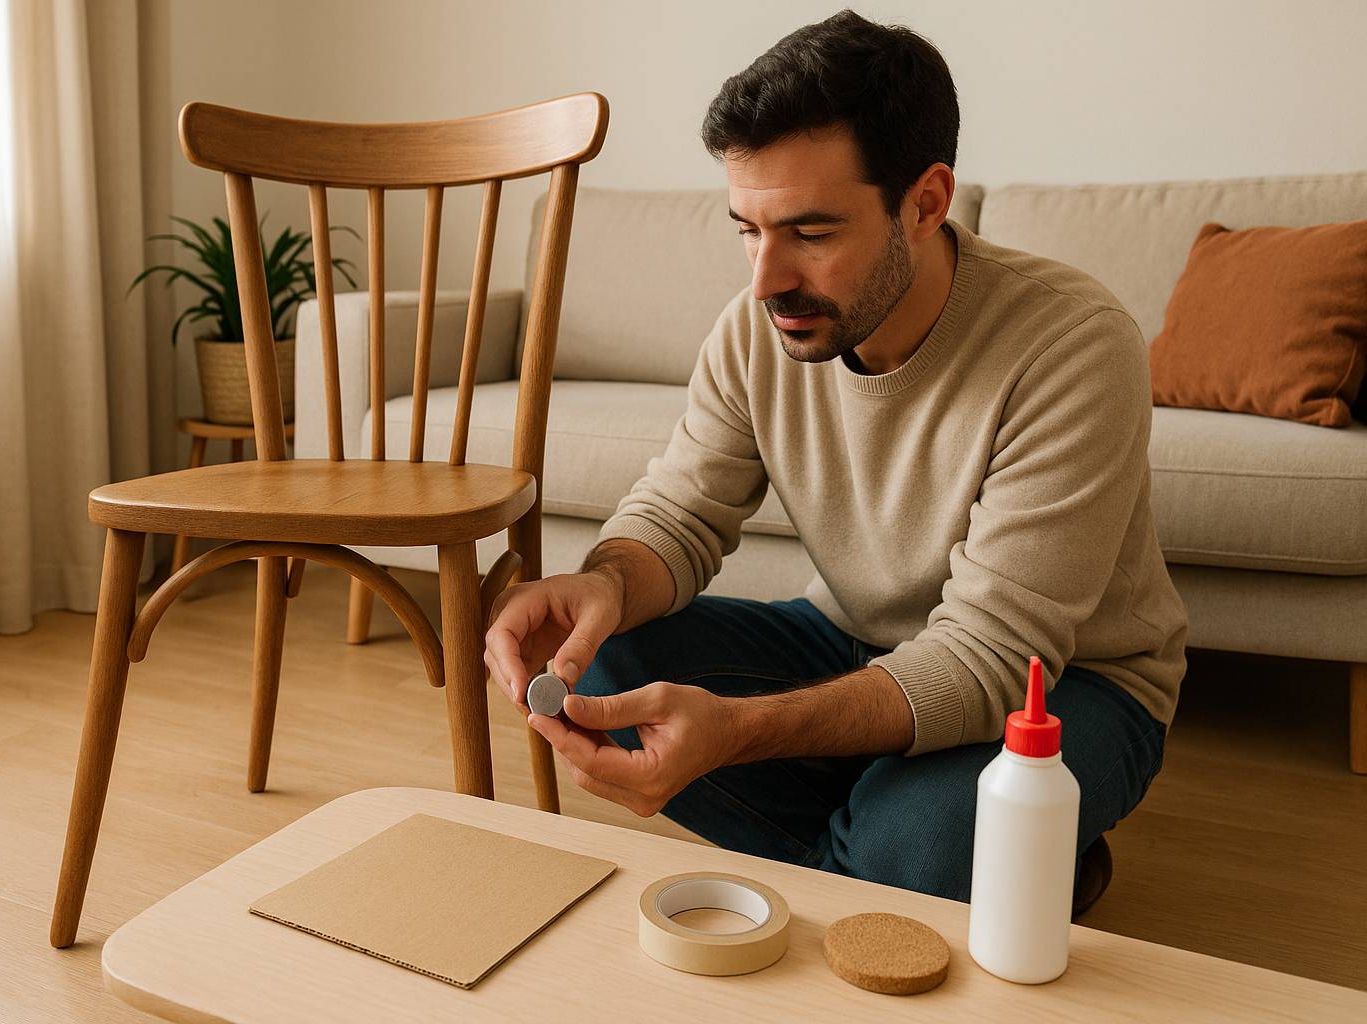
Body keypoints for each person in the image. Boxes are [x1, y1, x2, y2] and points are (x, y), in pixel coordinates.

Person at [484, 9, 1187, 913]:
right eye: (747, 229)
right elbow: (682, 510)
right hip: (852, 636)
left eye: (811, 233)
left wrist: (732, 735)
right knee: (610, 661)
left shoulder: (1072, 345)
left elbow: (990, 654)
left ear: (927, 203)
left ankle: (925, 854)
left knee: (917, 842)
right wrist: (605, 587)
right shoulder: (759, 326)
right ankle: (959, 868)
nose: (765, 279)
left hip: (1069, 683)